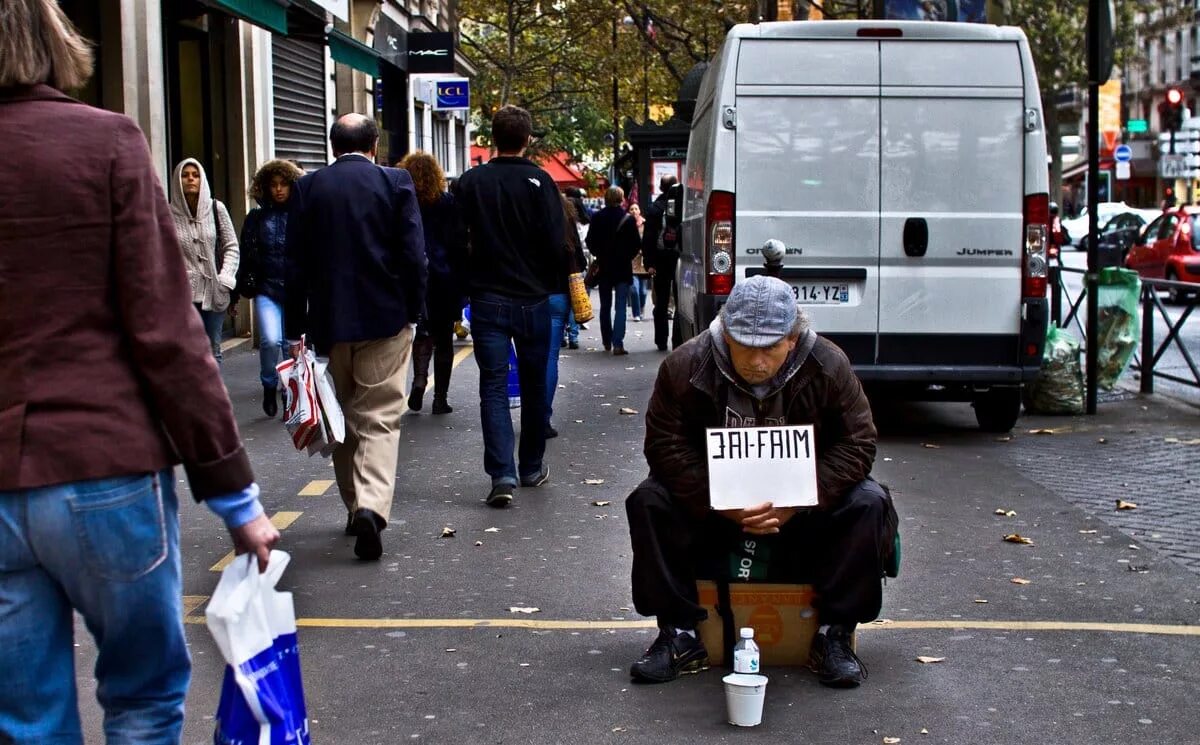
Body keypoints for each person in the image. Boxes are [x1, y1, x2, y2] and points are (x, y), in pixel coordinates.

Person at [0, 2, 280, 740]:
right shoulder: (106, 144)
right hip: (107, 466)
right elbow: (165, 329)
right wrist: (234, 496)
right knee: (144, 696)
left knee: (25, 716)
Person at [625, 275, 891, 688]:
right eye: (744, 346)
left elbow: (857, 443)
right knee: (649, 500)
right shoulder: (685, 365)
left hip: (801, 510)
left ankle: (834, 633)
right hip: (714, 507)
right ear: (726, 333)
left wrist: (799, 502)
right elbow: (664, 447)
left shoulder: (828, 364)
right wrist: (723, 503)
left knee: (869, 502)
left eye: (769, 348)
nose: (757, 361)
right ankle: (678, 633)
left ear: (792, 337)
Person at [285, 114, 428, 560]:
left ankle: (353, 506)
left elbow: (294, 266)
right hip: (385, 318)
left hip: (329, 324)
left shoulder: (308, 188)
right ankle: (371, 505)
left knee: (342, 415)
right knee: (380, 417)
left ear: (332, 147)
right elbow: (413, 255)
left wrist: (295, 330)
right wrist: (414, 312)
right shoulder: (395, 182)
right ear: (374, 145)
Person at [453, 105, 567, 508]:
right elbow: (557, 243)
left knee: (494, 387)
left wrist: (464, 290)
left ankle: (502, 474)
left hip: (487, 299)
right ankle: (532, 465)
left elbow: (455, 243)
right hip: (533, 299)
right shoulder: (540, 181)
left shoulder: (469, 183)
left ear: (493, 138)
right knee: (535, 385)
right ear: (528, 138)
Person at [400, 151, 468, 416]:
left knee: (421, 332)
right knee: (444, 340)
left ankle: (419, 378)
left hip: (413, 276)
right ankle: (440, 398)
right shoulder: (447, 202)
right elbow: (458, 244)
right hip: (443, 277)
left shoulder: (404, 200)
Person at [239, 159, 304, 417]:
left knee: (292, 346)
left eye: (283, 184)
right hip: (267, 288)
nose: (278, 189)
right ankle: (268, 384)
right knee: (269, 340)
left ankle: (289, 391)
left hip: (294, 289)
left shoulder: (300, 216)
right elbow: (246, 253)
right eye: (273, 185)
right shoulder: (256, 218)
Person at [169, 157, 240, 363]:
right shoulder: (166, 213)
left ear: (203, 179)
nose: (190, 179)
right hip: (182, 296)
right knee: (187, 352)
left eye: (195, 175)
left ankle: (213, 396)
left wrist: (225, 279)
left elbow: (231, 246)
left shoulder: (216, 209)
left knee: (212, 350)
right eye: (185, 175)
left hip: (214, 291)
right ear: (177, 180)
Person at [546, 194, 590, 439]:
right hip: (558, 294)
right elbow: (580, 260)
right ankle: (543, 417)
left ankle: (531, 413)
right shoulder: (565, 219)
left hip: (529, 295)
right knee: (550, 356)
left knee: (531, 356)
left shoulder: (527, 214)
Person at [586, 186, 641, 355]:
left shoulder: (597, 217)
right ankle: (618, 343)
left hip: (604, 267)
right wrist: (626, 256)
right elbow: (636, 245)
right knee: (621, 307)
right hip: (622, 268)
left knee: (605, 306)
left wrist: (600, 254)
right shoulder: (628, 219)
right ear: (622, 199)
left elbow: (590, 241)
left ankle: (606, 340)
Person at [642, 175, 680, 351]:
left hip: (660, 258)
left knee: (662, 301)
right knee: (681, 301)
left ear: (661, 187)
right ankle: (679, 339)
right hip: (680, 258)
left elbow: (648, 238)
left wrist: (649, 263)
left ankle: (661, 340)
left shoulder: (654, 209)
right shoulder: (684, 207)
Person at [628, 202, 650, 322]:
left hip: (643, 262)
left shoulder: (645, 224)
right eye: (631, 209)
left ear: (639, 211)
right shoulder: (626, 224)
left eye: (636, 208)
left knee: (643, 291)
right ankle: (636, 313)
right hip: (631, 261)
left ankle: (641, 309)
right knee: (634, 289)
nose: (634, 211)